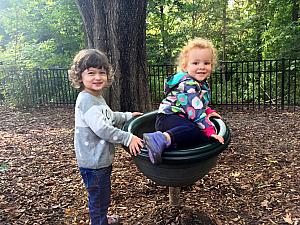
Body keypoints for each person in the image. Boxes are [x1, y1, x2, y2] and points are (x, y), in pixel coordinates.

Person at [68, 49, 143, 225]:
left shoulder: (97, 98)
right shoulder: (86, 100)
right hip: (94, 163)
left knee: (101, 196)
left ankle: (101, 218)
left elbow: (108, 116)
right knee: (99, 199)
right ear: (80, 77)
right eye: (91, 73)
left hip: (99, 160)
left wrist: (127, 116)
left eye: (102, 72)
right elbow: (103, 128)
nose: (97, 77)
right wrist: (127, 138)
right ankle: (99, 221)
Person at [143, 37, 224, 165]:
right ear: (185, 66)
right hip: (168, 118)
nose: (201, 67)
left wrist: (208, 111)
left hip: (178, 118)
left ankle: (168, 145)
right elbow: (195, 111)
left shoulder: (200, 84)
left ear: (211, 66)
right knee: (195, 130)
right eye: (195, 63)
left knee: (199, 135)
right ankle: (160, 139)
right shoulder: (188, 85)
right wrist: (210, 131)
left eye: (206, 63)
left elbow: (199, 103)